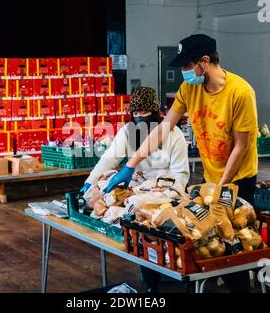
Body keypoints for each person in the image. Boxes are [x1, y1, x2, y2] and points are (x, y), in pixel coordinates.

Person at [104, 34, 259, 293]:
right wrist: (130, 165)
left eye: (188, 66)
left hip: (238, 181)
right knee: (210, 242)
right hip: (211, 179)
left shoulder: (240, 93)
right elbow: (163, 128)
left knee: (233, 247)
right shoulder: (190, 89)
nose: (184, 72)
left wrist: (221, 187)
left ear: (205, 62)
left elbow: (241, 147)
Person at [80, 87, 190, 293]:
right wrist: (91, 180)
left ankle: (176, 275)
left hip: (167, 191)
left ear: (156, 113)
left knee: (159, 234)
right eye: (135, 113)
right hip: (138, 188)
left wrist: (162, 193)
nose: (139, 117)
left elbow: (181, 175)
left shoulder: (174, 135)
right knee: (139, 234)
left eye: (144, 113)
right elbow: (109, 158)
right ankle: (150, 282)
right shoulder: (127, 132)